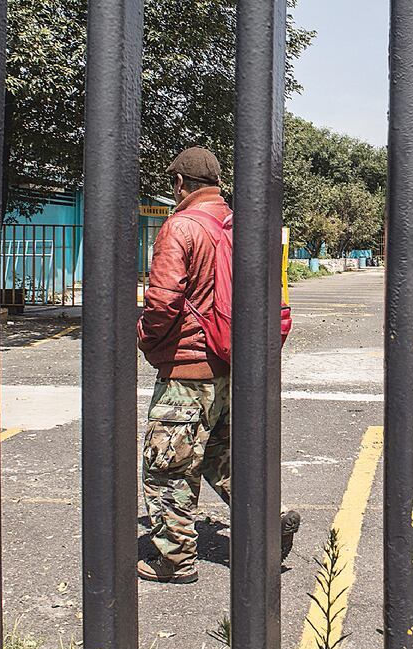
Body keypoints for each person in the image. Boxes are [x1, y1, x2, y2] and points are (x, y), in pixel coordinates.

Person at [136, 146, 300, 584]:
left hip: (188, 371)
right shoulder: (242, 226)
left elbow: (164, 299)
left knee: (166, 467)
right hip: (233, 364)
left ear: (179, 185)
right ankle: (270, 517)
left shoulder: (181, 226)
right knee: (219, 455)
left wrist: (148, 339)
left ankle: (175, 559)